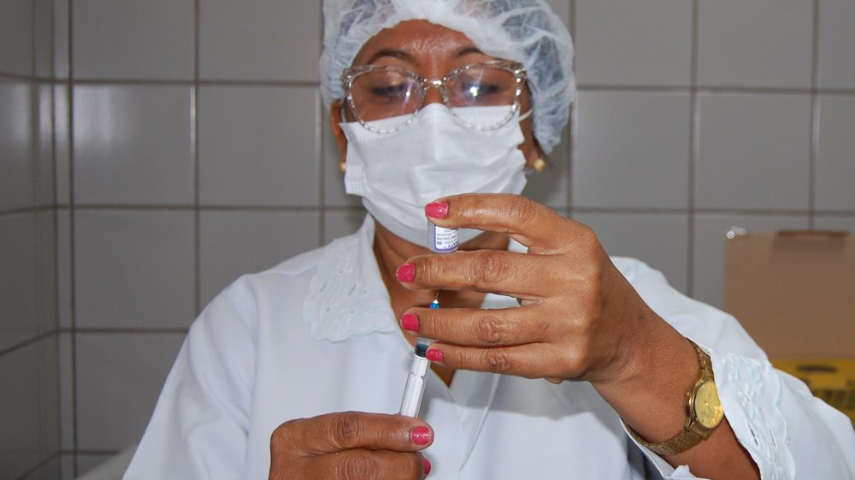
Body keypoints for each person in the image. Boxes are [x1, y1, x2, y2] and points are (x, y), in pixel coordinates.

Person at [124, 1, 855, 479]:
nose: (433, 119)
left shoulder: (629, 307)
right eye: (389, 86)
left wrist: (635, 356)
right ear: (344, 133)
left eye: (479, 84)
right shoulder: (250, 327)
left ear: (535, 131)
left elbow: (824, 464)